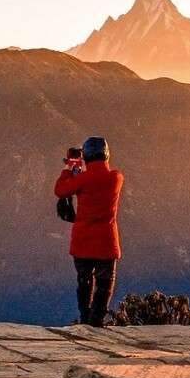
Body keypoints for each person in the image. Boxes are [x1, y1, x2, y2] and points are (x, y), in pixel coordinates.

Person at [54, 137, 123, 327]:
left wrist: (70, 168)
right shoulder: (116, 177)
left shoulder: (82, 179)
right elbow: (96, 178)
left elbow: (60, 190)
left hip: (83, 239)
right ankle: (97, 320)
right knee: (105, 281)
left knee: (84, 280)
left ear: (87, 156)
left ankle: (85, 317)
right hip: (106, 240)